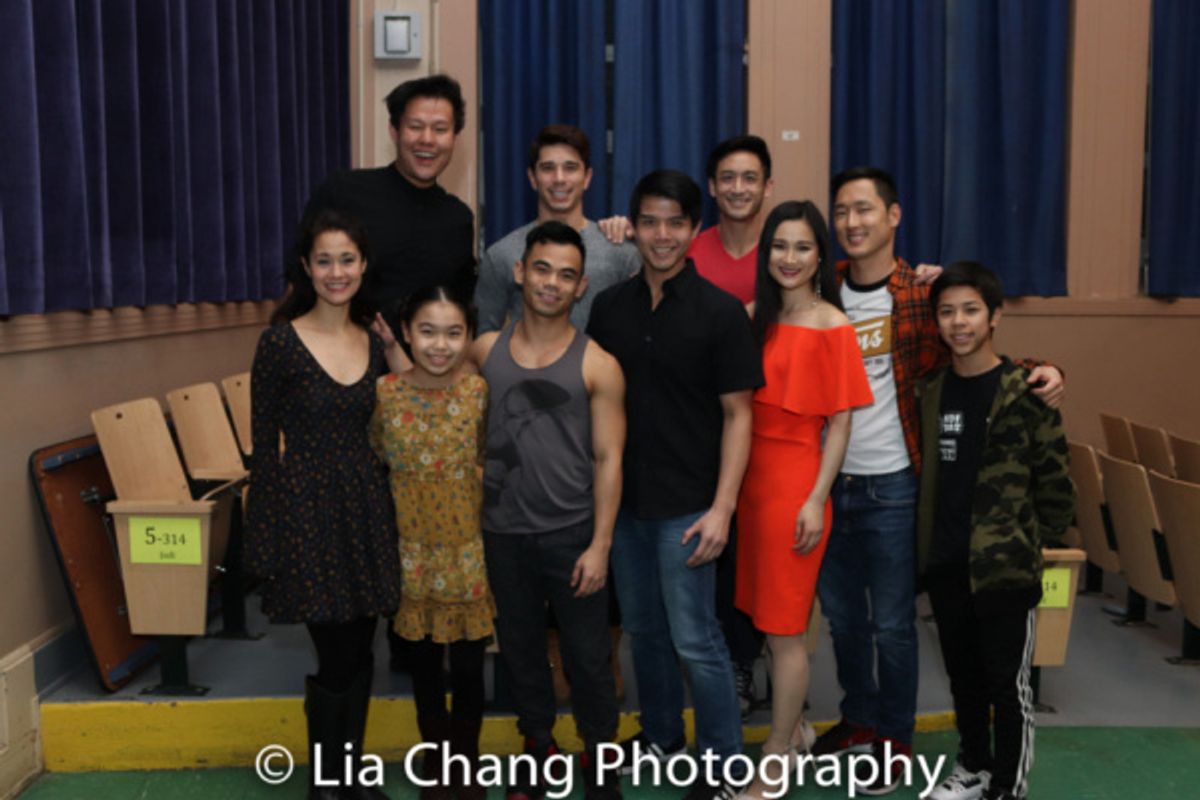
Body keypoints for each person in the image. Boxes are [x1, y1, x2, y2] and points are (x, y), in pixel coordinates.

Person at [812, 167, 1065, 795]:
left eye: (865, 209)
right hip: (830, 483)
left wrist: (1045, 369)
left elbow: (982, 354)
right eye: (841, 211)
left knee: (895, 625)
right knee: (845, 620)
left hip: (898, 486)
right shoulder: (823, 292)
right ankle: (861, 719)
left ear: (894, 216)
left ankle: (898, 740)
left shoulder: (921, 294)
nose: (852, 223)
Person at [587, 170, 763, 800]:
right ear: (632, 227)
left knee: (697, 637)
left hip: (691, 508)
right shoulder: (609, 309)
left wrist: (723, 509)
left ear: (694, 229)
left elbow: (741, 414)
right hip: (626, 506)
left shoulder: (719, 313)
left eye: (675, 222)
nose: (662, 235)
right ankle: (662, 734)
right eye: (650, 221)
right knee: (643, 628)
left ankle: (723, 766)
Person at [246, 210, 398, 800]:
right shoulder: (279, 343)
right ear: (307, 268)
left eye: (348, 259)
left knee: (362, 646)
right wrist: (265, 538)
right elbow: (263, 446)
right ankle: (327, 784)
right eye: (325, 260)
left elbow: (398, 420)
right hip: (307, 511)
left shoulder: (375, 340)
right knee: (335, 649)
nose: (337, 272)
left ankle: (350, 778)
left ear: (363, 266)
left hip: (365, 507)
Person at [472, 221, 627, 800]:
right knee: (521, 651)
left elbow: (610, 459)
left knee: (589, 659)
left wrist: (601, 545)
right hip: (501, 534)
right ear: (519, 271)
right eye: (541, 269)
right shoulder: (483, 352)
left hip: (572, 535)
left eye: (566, 275)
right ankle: (538, 748)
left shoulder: (600, 364)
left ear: (581, 285)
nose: (551, 283)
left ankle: (600, 761)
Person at [916, 262, 1074, 800]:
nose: (958, 322)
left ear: (995, 316)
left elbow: (1055, 479)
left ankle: (1007, 785)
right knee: (963, 679)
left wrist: (1034, 543)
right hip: (947, 562)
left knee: (1008, 687)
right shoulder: (931, 391)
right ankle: (973, 765)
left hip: (1004, 568)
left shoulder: (1025, 390)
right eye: (946, 312)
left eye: (970, 310)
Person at [734, 201, 873, 800]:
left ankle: (774, 756)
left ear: (821, 256)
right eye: (778, 246)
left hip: (795, 487)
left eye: (802, 247)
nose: (788, 259)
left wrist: (816, 499)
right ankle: (795, 729)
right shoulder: (752, 317)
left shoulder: (833, 326)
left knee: (787, 630)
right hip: (748, 484)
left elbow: (839, 425)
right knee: (767, 623)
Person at [369, 286, 494, 800]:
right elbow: (376, 449)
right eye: (427, 331)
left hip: (467, 556)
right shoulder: (384, 394)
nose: (439, 345)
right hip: (410, 557)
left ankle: (464, 765)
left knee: (467, 671)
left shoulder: (479, 394)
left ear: (468, 338)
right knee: (422, 671)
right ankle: (438, 764)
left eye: (452, 333)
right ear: (405, 332)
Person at [302, 73, 475, 315]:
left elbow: (459, 309)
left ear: (454, 138)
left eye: (440, 129)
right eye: (415, 127)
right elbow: (299, 283)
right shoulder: (343, 191)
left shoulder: (458, 220)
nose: (427, 139)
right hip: (343, 349)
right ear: (394, 131)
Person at [474, 125, 640, 332]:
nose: (559, 178)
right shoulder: (501, 255)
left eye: (570, 167)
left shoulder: (620, 250)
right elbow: (483, 340)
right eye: (548, 168)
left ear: (587, 178)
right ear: (533, 178)